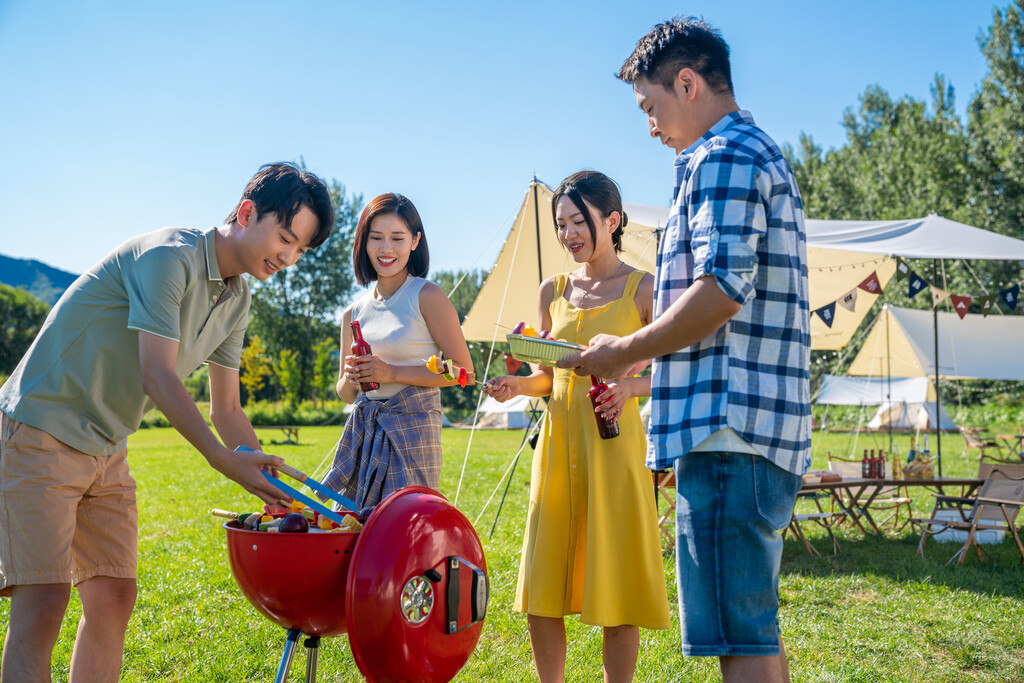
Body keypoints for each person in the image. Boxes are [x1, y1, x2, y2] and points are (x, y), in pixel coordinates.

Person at [0, 162, 335, 682]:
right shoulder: (169, 258)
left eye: (300, 250)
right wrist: (223, 460)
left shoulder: (238, 296)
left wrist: (278, 492)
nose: (288, 258)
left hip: (107, 446)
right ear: (246, 212)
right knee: (42, 603)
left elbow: (227, 409)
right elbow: (157, 375)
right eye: (285, 238)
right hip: (41, 428)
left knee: (113, 596)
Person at [560, 18, 811, 683]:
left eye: (651, 106)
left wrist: (625, 351)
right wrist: (642, 353)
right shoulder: (753, 151)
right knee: (753, 628)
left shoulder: (721, 154)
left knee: (739, 639)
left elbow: (723, 289)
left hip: (726, 430)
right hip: (753, 431)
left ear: (689, 82)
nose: (649, 126)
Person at [485, 171, 670, 683]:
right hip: (557, 447)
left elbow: (677, 371)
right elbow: (549, 377)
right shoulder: (553, 290)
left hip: (614, 450)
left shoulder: (644, 289)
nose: (568, 234)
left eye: (578, 221)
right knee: (542, 588)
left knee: (616, 586)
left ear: (611, 221)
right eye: (561, 224)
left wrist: (631, 389)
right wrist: (516, 386)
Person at [322, 193, 473, 509]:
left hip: (413, 436)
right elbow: (347, 394)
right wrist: (351, 377)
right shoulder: (353, 313)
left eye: (397, 238)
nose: (385, 248)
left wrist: (391, 372)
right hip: (365, 434)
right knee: (352, 531)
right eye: (376, 237)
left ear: (415, 241)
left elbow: (464, 372)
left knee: (405, 530)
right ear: (364, 243)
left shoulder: (427, 296)